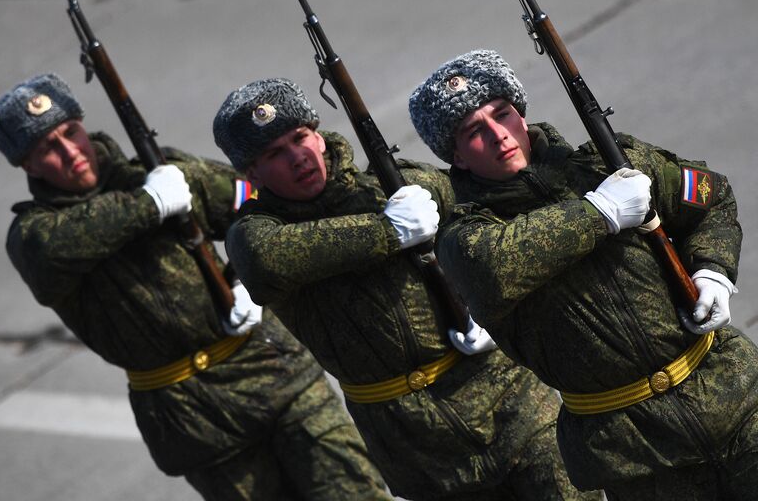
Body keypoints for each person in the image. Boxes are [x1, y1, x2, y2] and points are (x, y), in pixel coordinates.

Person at [0, 72, 391, 501]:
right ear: (26, 165)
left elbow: (260, 205)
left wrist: (245, 278)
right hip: (195, 417)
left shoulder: (160, 170)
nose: (71, 152)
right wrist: (150, 204)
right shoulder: (35, 235)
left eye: (71, 132)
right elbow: (59, 247)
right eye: (48, 148)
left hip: (275, 373)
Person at [214, 77, 601, 501]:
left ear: (319, 136)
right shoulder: (256, 234)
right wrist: (387, 231)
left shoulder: (392, 187)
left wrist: (483, 307)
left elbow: (467, 205)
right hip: (421, 452)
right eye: (274, 153)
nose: (297, 158)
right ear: (251, 174)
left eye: (300, 138)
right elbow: (267, 260)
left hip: (516, 406)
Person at [409, 49, 758, 499]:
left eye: (503, 114)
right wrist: (601, 212)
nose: (499, 135)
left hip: (736, 398)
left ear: (521, 114)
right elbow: (497, 268)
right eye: (475, 132)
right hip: (638, 456)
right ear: (454, 155)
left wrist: (714, 269)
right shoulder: (465, 235)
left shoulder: (608, 164)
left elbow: (711, 196)